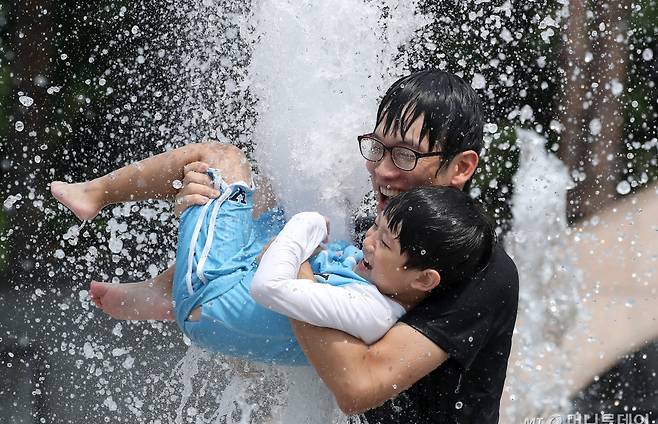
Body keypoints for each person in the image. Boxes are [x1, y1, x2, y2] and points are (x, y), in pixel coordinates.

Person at [175, 70, 519, 424]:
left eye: (405, 155)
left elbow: (357, 386)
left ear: (461, 167)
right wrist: (204, 215)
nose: (382, 170)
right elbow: (256, 349)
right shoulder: (371, 237)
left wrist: (295, 273)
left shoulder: (481, 272)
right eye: (377, 147)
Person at [50, 143, 496, 366]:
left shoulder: (363, 307)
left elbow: (272, 286)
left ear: (424, 277)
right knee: (273, 196)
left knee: (221, 157)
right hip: (225, 311)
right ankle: (160, 291)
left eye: (385, 242)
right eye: (375, 230)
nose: (369, 242)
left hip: (210, 290)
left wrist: (305, 226)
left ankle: (96, 192)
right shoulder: (393, 300)